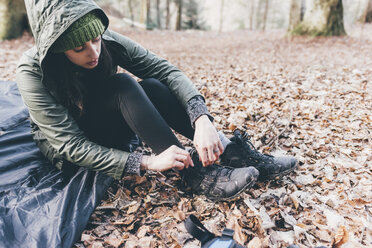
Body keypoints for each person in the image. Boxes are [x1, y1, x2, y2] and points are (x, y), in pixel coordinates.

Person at [17, 0, 297, 202]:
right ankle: (194, 175)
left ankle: (230, 150)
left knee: (152, 84)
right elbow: (69, 145)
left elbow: (166, 70)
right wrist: (147, 162)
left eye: (96, 40)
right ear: (57, 49)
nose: (94, 52)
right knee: (124, 84)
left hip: (108, 116)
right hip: (76, 142)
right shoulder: (32, 71)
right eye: (79, 48)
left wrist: (202, 120)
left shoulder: (102, 39)